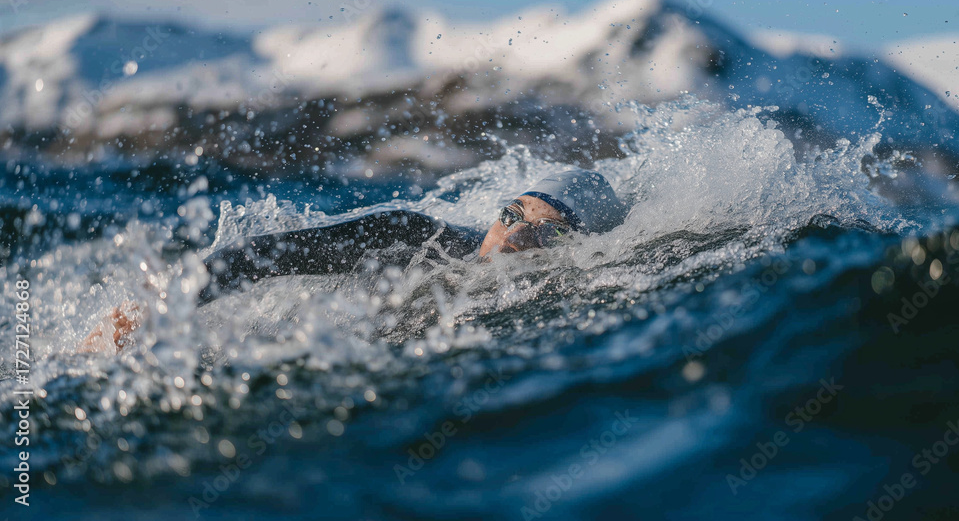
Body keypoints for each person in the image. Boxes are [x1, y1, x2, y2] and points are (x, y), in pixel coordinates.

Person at [79, 169, 627, 353]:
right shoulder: (414, 234)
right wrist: (165, 303)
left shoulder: (560, 297)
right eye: (511, 212)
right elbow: (266, 256)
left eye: (543, 230)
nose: (514, 235)